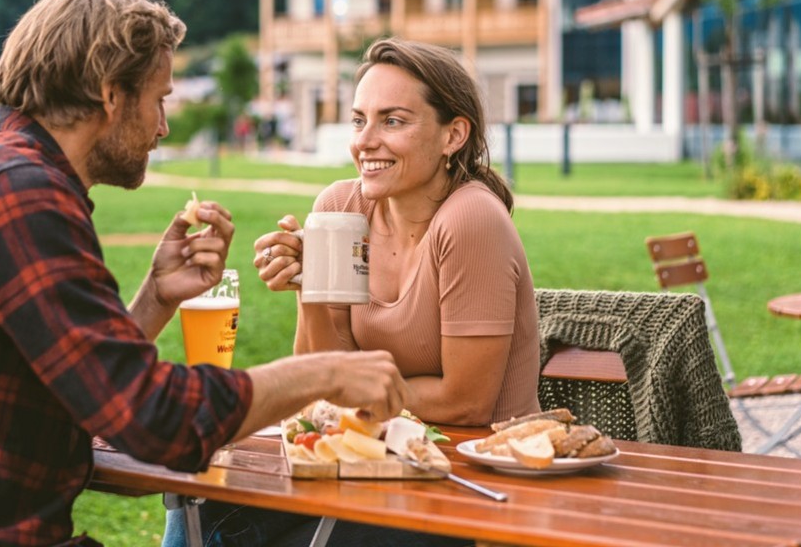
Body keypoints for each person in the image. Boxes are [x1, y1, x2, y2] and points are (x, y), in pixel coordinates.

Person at [0, 0, 409, 547]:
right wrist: (325, 375)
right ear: (110, 94)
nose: (163, 127)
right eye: (159, 100)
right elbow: (155, 421)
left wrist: (155, 298)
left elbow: (85, 390)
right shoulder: (19, 192)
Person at [163, 37, 539, 546]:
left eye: (394, 121)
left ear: (454, 134)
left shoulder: (470, 219)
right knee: (203, 500)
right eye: (360, 119)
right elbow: (321, 374)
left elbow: (467, 401)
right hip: (372, 466)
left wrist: (349, 391)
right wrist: (308, 286)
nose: (366, 140)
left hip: (469, 486)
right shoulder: (342, 209)